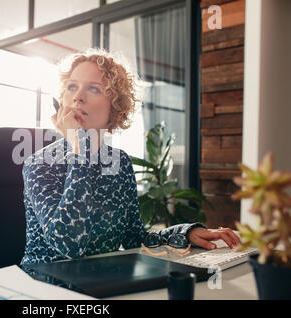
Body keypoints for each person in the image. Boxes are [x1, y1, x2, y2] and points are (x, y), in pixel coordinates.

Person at [20, 49, 240, 266]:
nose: (78, 96)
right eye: (72, 87)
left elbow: (134, 238)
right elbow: (68, 245)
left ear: (115, 108)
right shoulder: (41, 163)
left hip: (106, 281)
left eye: (94, 88)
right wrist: (80, 148)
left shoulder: (119, 162)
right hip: (46, 285)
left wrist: (186, 233)